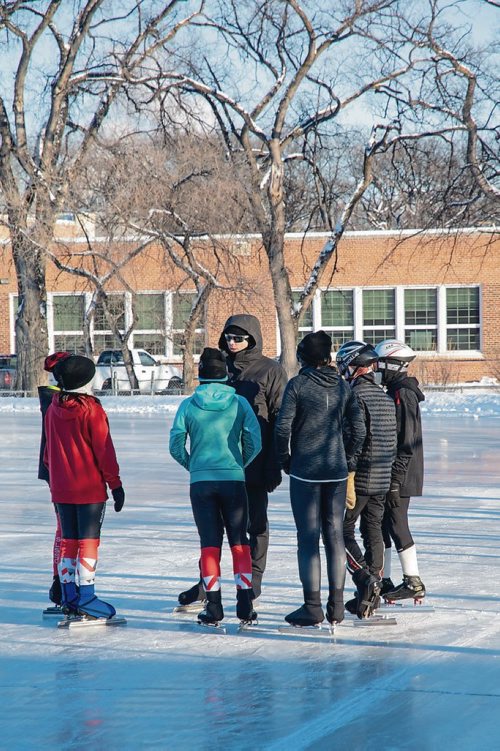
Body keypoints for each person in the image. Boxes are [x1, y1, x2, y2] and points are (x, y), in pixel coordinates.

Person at [177, 314, 287, 607]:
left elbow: (279, 419)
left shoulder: (270, 370)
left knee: (255, 524)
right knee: (214, 530)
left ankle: (254, 581)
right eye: (228, 337)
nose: (232, 342)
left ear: (252, 339)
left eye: (239, 338)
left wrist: (274, 462)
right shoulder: (219, 364)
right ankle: (206, 586)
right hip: (220, 463)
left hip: (256, 460)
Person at [274, 331, 366, 627]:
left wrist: (284, 460)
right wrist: (348, 459)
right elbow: (359, 429)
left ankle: (312, 606)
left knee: (308, 538)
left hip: (305, 473)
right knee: (335, 535)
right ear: (327, 357)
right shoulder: (342, 387)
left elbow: (282, 428)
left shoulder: (298, 385)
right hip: (336, 472)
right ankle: (337, 607)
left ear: (303, 358)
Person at [169, 348, 262, 625]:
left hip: (202, 483)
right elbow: (254, 441)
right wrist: (239, 464)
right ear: (225, 374)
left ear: (200, 375)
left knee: (209, 545)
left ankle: (214, 606)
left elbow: (175, 445)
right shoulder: (240, 403)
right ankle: (245, 604)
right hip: (233, 480)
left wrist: (194, 466)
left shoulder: (188, 404)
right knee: (239, 543)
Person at [43, 353, 125, 619]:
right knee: (88, 542)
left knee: (68, 542)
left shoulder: (53, 408)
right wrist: (116, 484)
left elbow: (48, 453)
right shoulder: (92, 410)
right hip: (89, 490)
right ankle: (87, 597)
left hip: (61, 490)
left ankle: (69, 595)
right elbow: (104, 450)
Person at [336, 341, 397, 619]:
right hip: (383, 477)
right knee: (372, 531)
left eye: (343, 366)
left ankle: (364, 579)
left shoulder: (354, 396)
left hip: (360, 477)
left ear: (353, 366)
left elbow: (353, 437)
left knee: (341, 532)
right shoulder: (384, 397)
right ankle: (369, 597)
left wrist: (347, 468)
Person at [374, 339, 426, 602]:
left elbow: (406, 441)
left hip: (401, 474)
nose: (375, 368)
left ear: (391, 365)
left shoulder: (402, 394)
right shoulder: (395, 390)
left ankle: (413, 581)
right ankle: (384, 580)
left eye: (378, 364)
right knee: (384, 524)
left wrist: (395, 479)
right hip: (394, 472)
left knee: (397, 523)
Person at [37, 353, 68, 608]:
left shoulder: (54, 397)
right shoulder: (54, 399)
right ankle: (60, 582)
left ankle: (63, 583)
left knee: (66, 530)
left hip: (58, 470)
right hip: (61, 472)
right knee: (65, 530)